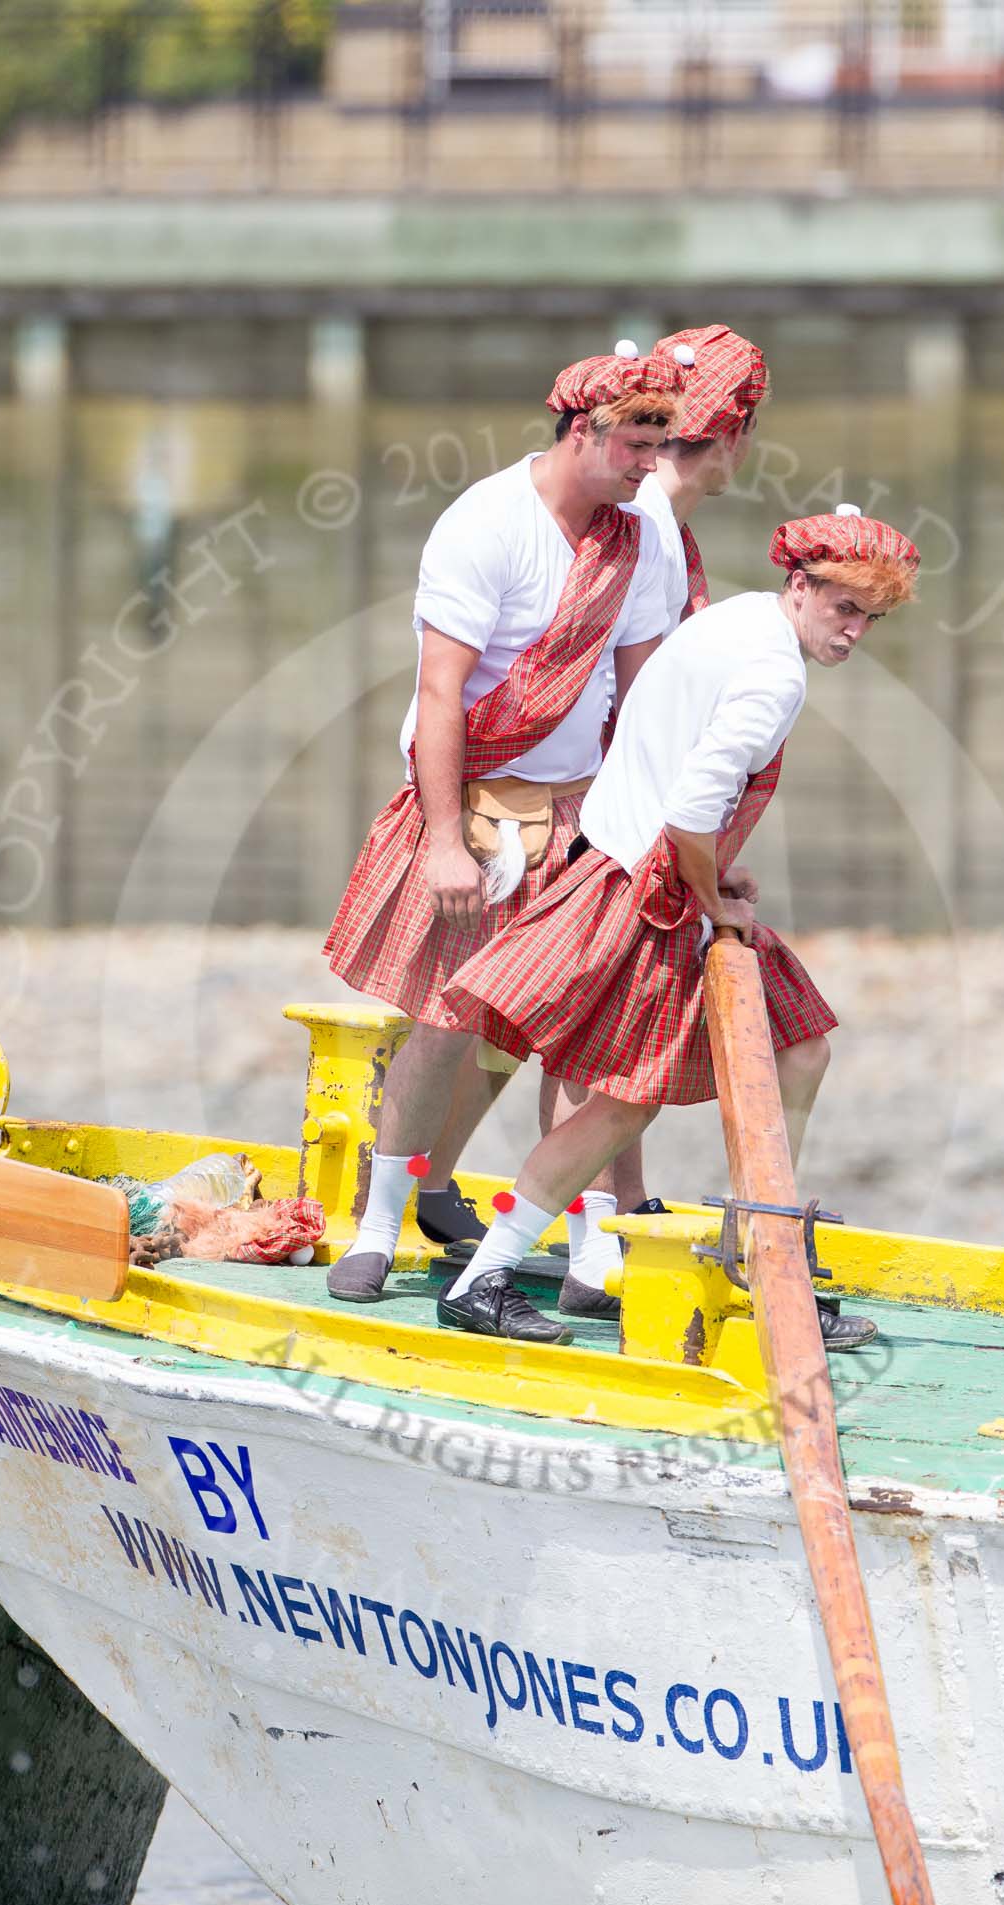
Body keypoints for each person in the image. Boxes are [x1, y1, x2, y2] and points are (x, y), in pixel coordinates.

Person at [438, 505, 921, 1346]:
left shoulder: (734, 620)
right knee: (624, 1106)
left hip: (632, 866)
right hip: (644, 890)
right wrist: (711, 895)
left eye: (871, 618)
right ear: (799, 585)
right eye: (844, 608)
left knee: (798, 1047)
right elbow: (694, 811)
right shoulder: (774, 677)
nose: (855, 632)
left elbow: (663, 758)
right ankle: (487, 1280)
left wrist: (709, 871)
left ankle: (759, 1254)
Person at [321, 342, 684, 1304]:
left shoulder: (637, 538)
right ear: (581, 431)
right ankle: (377, 1228)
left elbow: (644, 692)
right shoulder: (485, 523)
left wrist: (653, 831)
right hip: (477, 796)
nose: (652, 465)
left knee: (577, 1034)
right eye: (638, 444)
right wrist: (444, 841)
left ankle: (590, 1255)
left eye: (661, 444)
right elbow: (440, 695)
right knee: (439, 1026)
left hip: (579, 807)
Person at [546, 324, 771, 1291]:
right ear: (729, 434)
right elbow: (615, 692)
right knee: (590, 1028)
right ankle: (595, 1239)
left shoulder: (641, 523)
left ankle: (611, 1220)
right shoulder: (646, 533)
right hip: (596, 810)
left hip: (599, 803)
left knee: (593, 1027)